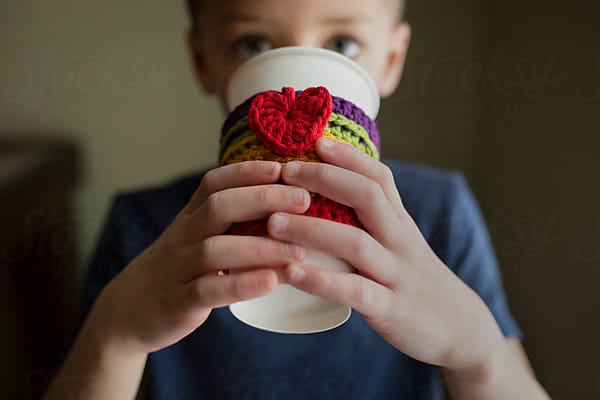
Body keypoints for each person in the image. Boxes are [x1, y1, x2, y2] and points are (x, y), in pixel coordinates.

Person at [44, 0, 550, 399]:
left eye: (344, 42)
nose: (301, 80)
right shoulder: (144, 230)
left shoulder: (440, 214)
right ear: (204, 62)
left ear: (391, 61)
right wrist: (113, 337)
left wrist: (479, 354)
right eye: (253, 42)